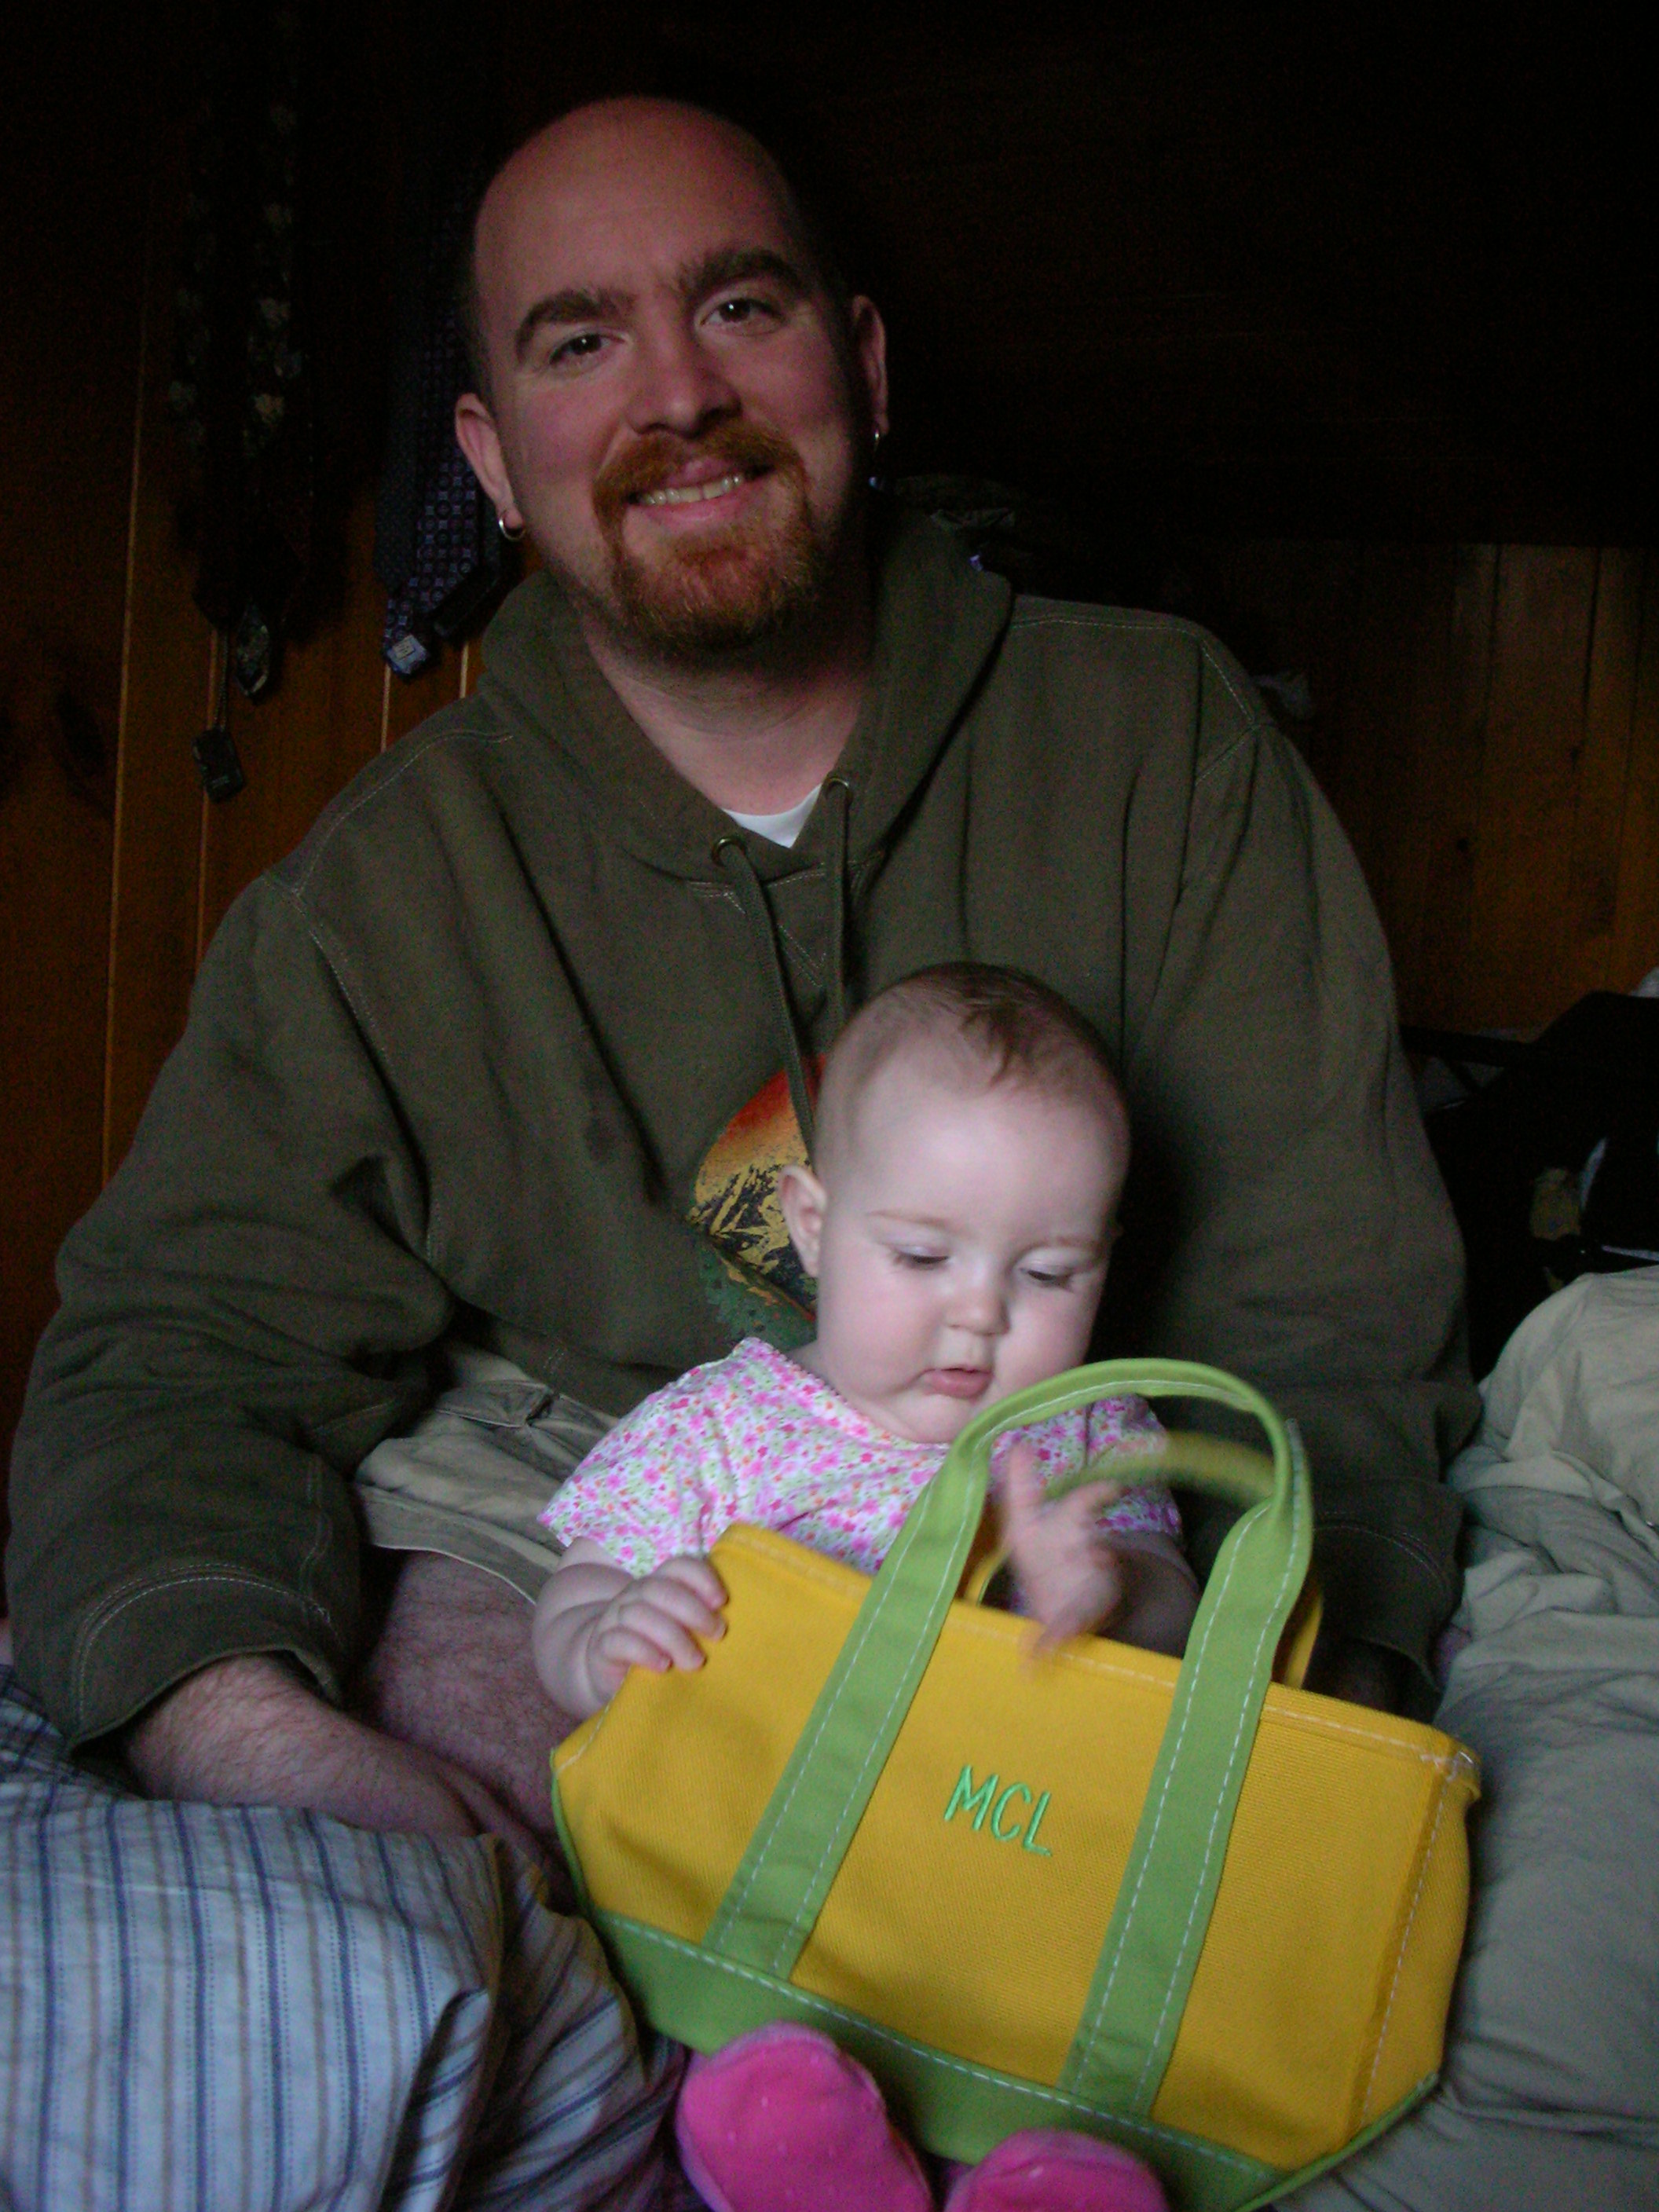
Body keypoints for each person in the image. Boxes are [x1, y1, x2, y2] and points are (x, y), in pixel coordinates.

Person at [2, 93, 1473, 2210]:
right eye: (580, 340)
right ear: (489, 456)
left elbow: (1334, 1326)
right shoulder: (379, 892)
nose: (678, 394)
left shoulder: (1160, 742)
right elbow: (176, 1356)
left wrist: (1158, 1647)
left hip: (1070, 1514)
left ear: (859, 365)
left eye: (742, 308)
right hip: (594, 1521)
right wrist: (271, 1739)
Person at [535, 962, 1192, 2212]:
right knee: (772, 2069)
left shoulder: (1086, 1427)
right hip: (779, 1883)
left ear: (1107, 1265)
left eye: (1050, 1274)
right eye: (923, 1254)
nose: (978, 1317)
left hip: (1004, 1869)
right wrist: (603, 1636)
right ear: (815, 1225)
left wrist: (1110, 1588)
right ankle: (796, 2148)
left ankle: (1025, 2170)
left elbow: (1177, 1622)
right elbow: (575, 1601)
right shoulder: (720, 1428)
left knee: (1060, 2035)